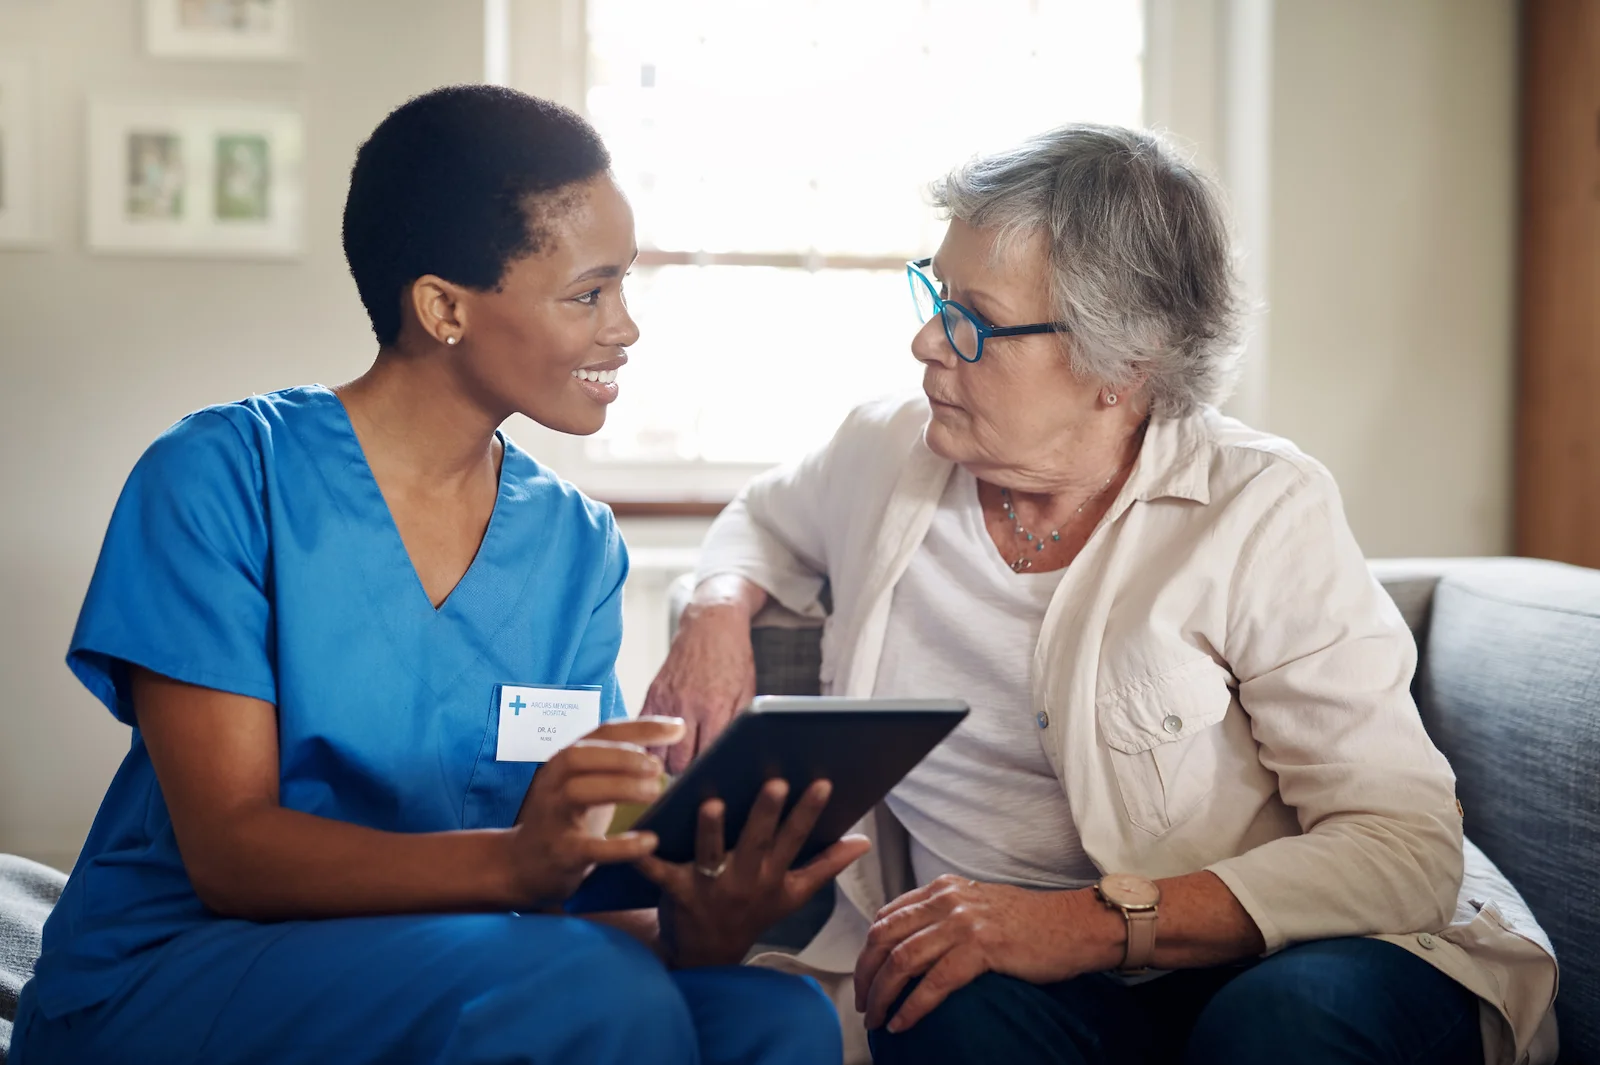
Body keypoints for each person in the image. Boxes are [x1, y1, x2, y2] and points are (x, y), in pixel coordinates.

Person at [643, 124, 1559, 1065]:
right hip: (1039, 986)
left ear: (1121, 367)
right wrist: (717, 610)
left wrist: (1078, 922)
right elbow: (761, 518)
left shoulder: (1258, 504)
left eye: (973, 319)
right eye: (934, 293)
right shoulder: (884, 452)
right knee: (922, 1000)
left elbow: (1402, 849)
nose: (926, 340)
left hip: (1285, 954)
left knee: (1281, 1028)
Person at [9, 85, 868, 1065]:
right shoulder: (219, 476)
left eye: (624, 287)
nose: (623, 328)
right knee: (584, 988)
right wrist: (516, 864)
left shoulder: (573, 542)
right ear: (444, 307)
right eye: (587, 293)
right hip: (189, 964)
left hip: (466, 957)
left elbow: (570, 877)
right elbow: (231, 854)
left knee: (776, 1019)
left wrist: (701, 920)